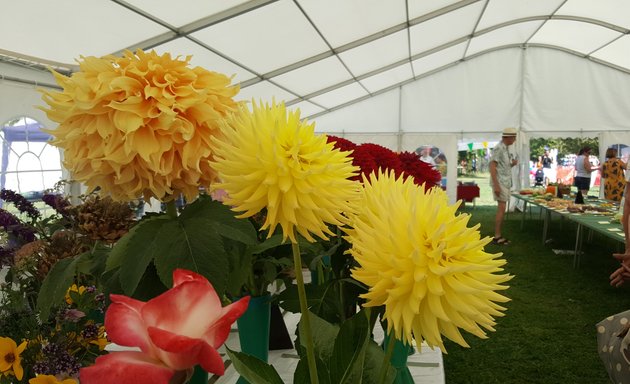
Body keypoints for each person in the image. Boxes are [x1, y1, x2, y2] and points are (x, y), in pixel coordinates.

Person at [489, 127, 518, 245]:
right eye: (514, 137)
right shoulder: (498, 148)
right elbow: (492, 166)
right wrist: (496, 185)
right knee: (501, 209)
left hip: (504, 182)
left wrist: (511, 164)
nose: (515, 139)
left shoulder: (504, 148)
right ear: (508, 137)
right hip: (500, 183)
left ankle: (498, 235)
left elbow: (502, 167)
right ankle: (497, 236)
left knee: (502, 209)